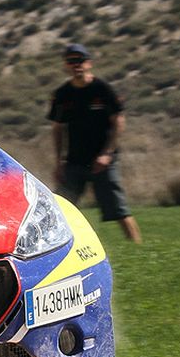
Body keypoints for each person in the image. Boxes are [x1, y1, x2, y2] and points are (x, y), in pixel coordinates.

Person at [48, 43, 141, 242]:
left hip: (102, 161)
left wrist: (107, 153)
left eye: (79, 60)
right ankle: (55, 251)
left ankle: (137, 248)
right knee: (59, 209)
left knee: (118, 209)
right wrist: (58, 163)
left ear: (88, 63)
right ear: (66, 65)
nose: (76, 65)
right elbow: (57, 128)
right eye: (71, 61)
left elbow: (118, 120)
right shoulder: (62, 94)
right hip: (74, 161)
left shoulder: (102, 89)